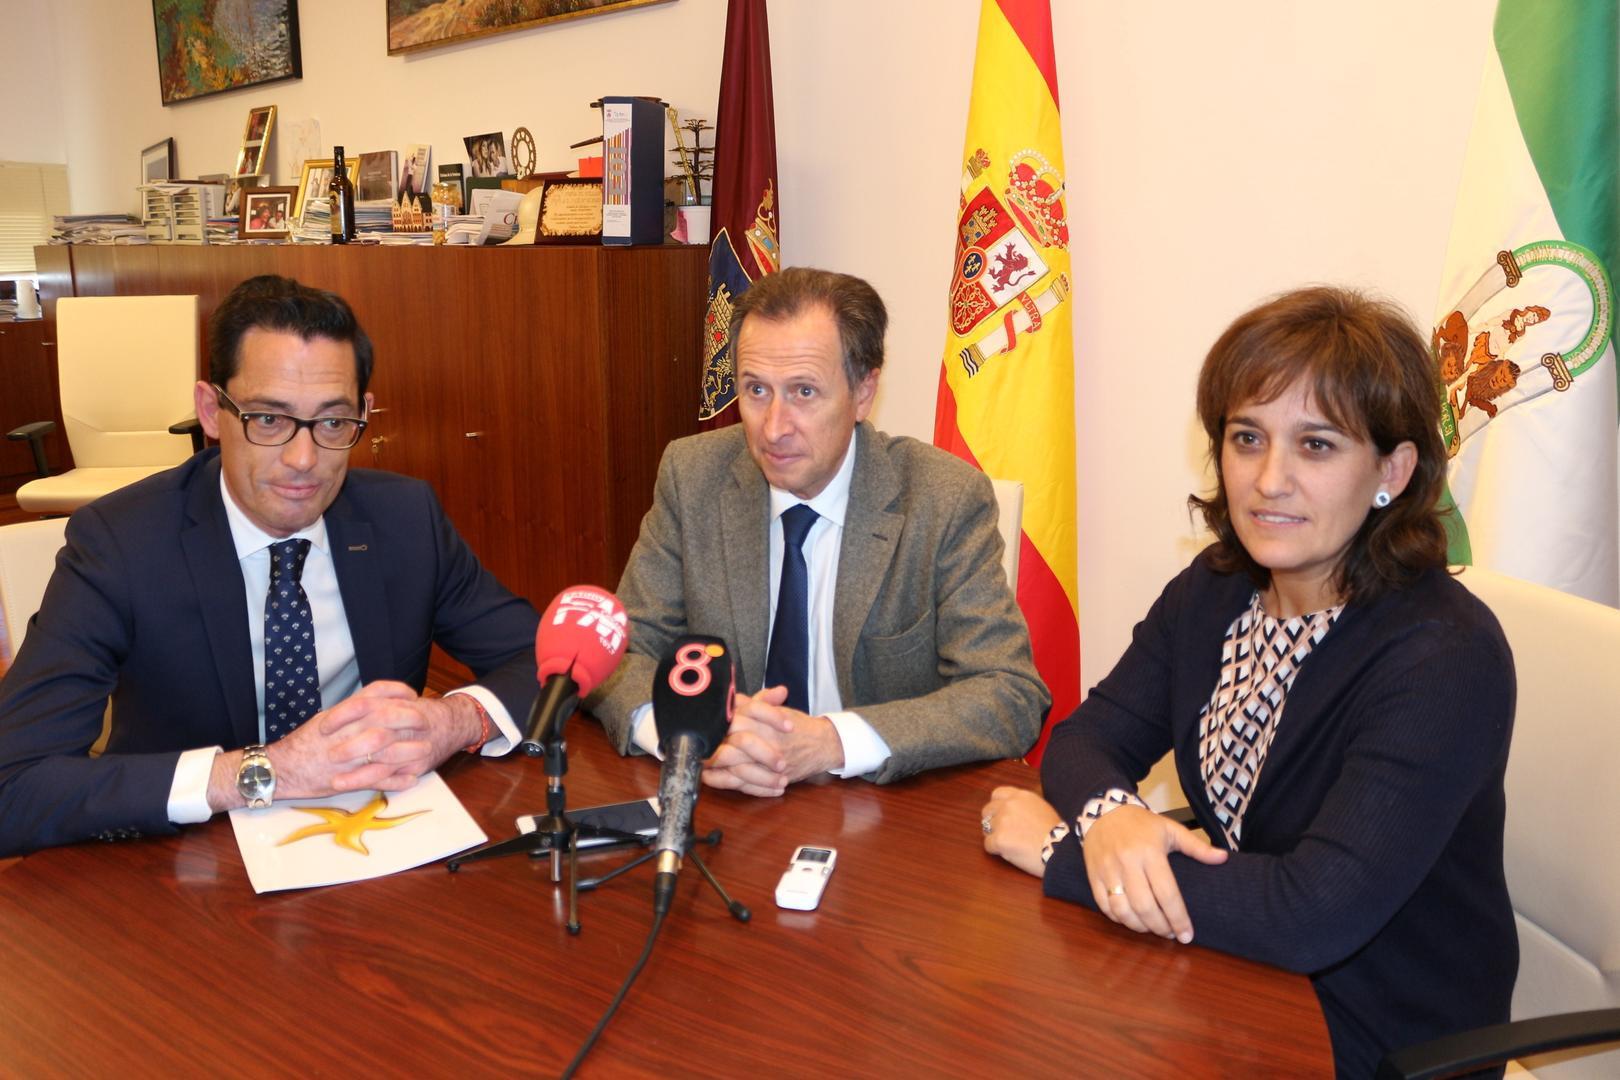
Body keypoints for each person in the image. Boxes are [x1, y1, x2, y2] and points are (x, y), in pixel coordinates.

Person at [979, 286, 1517, 1077]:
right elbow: (1087, 738)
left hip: (1375, 1031)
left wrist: (1066, 853)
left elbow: (1311, 913)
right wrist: (1110, 816)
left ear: (1393, 470)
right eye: (1247, 438)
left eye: (1316, 445)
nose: (1269, 480)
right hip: (1232, 969)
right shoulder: (1217, 589)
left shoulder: (1444, 657)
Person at [0, 275, 541, 856]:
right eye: (268, 419)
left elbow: (545, 659)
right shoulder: (121, 543)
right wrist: (265, 773)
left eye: (332, 422)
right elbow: (14, 787)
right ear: (211, 411)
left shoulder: (405, 519)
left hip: (376, 841)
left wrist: (459, 720)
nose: (304, 460)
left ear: (364, 413)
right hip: (184, 861)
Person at [587, 267, 1049, 794]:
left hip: (879, 809)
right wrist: (689, 737)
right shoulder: (693, 476)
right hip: (729, 798)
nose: (773, 427)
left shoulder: (943, 499)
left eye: (804, 392)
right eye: (756, 390)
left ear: (863, 392)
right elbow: (618, 656)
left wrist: (833, 741)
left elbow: (1008, 692)